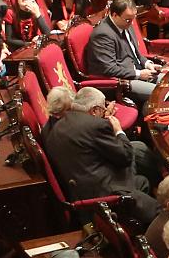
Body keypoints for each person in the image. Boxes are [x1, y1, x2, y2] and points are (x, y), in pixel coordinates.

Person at [42, 84, 160, 227]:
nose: (105, 111)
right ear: (95, 110)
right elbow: (125, 157)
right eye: (103, 108)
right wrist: (118, 131)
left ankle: (140, 222)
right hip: (104, 193)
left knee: (142, 181)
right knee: (162, 213)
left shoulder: (56, 127)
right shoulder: (94, 125)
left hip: (82, 187)